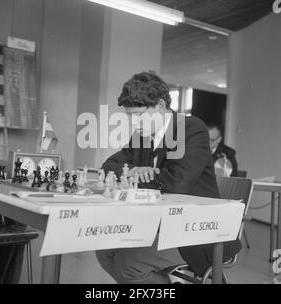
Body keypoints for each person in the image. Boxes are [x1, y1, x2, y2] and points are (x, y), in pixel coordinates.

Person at [95, 72, 241, 283]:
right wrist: (137, 172)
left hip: (198, 231)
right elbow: (109, 165)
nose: (134, 123)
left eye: (139, 115)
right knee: (104, 250)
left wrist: (133, 174)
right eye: (130, 116)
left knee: (128, 265)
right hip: (162, 224)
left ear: (161, 106)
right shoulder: (142, 136)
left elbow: (177, 183)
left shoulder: (192, 129)